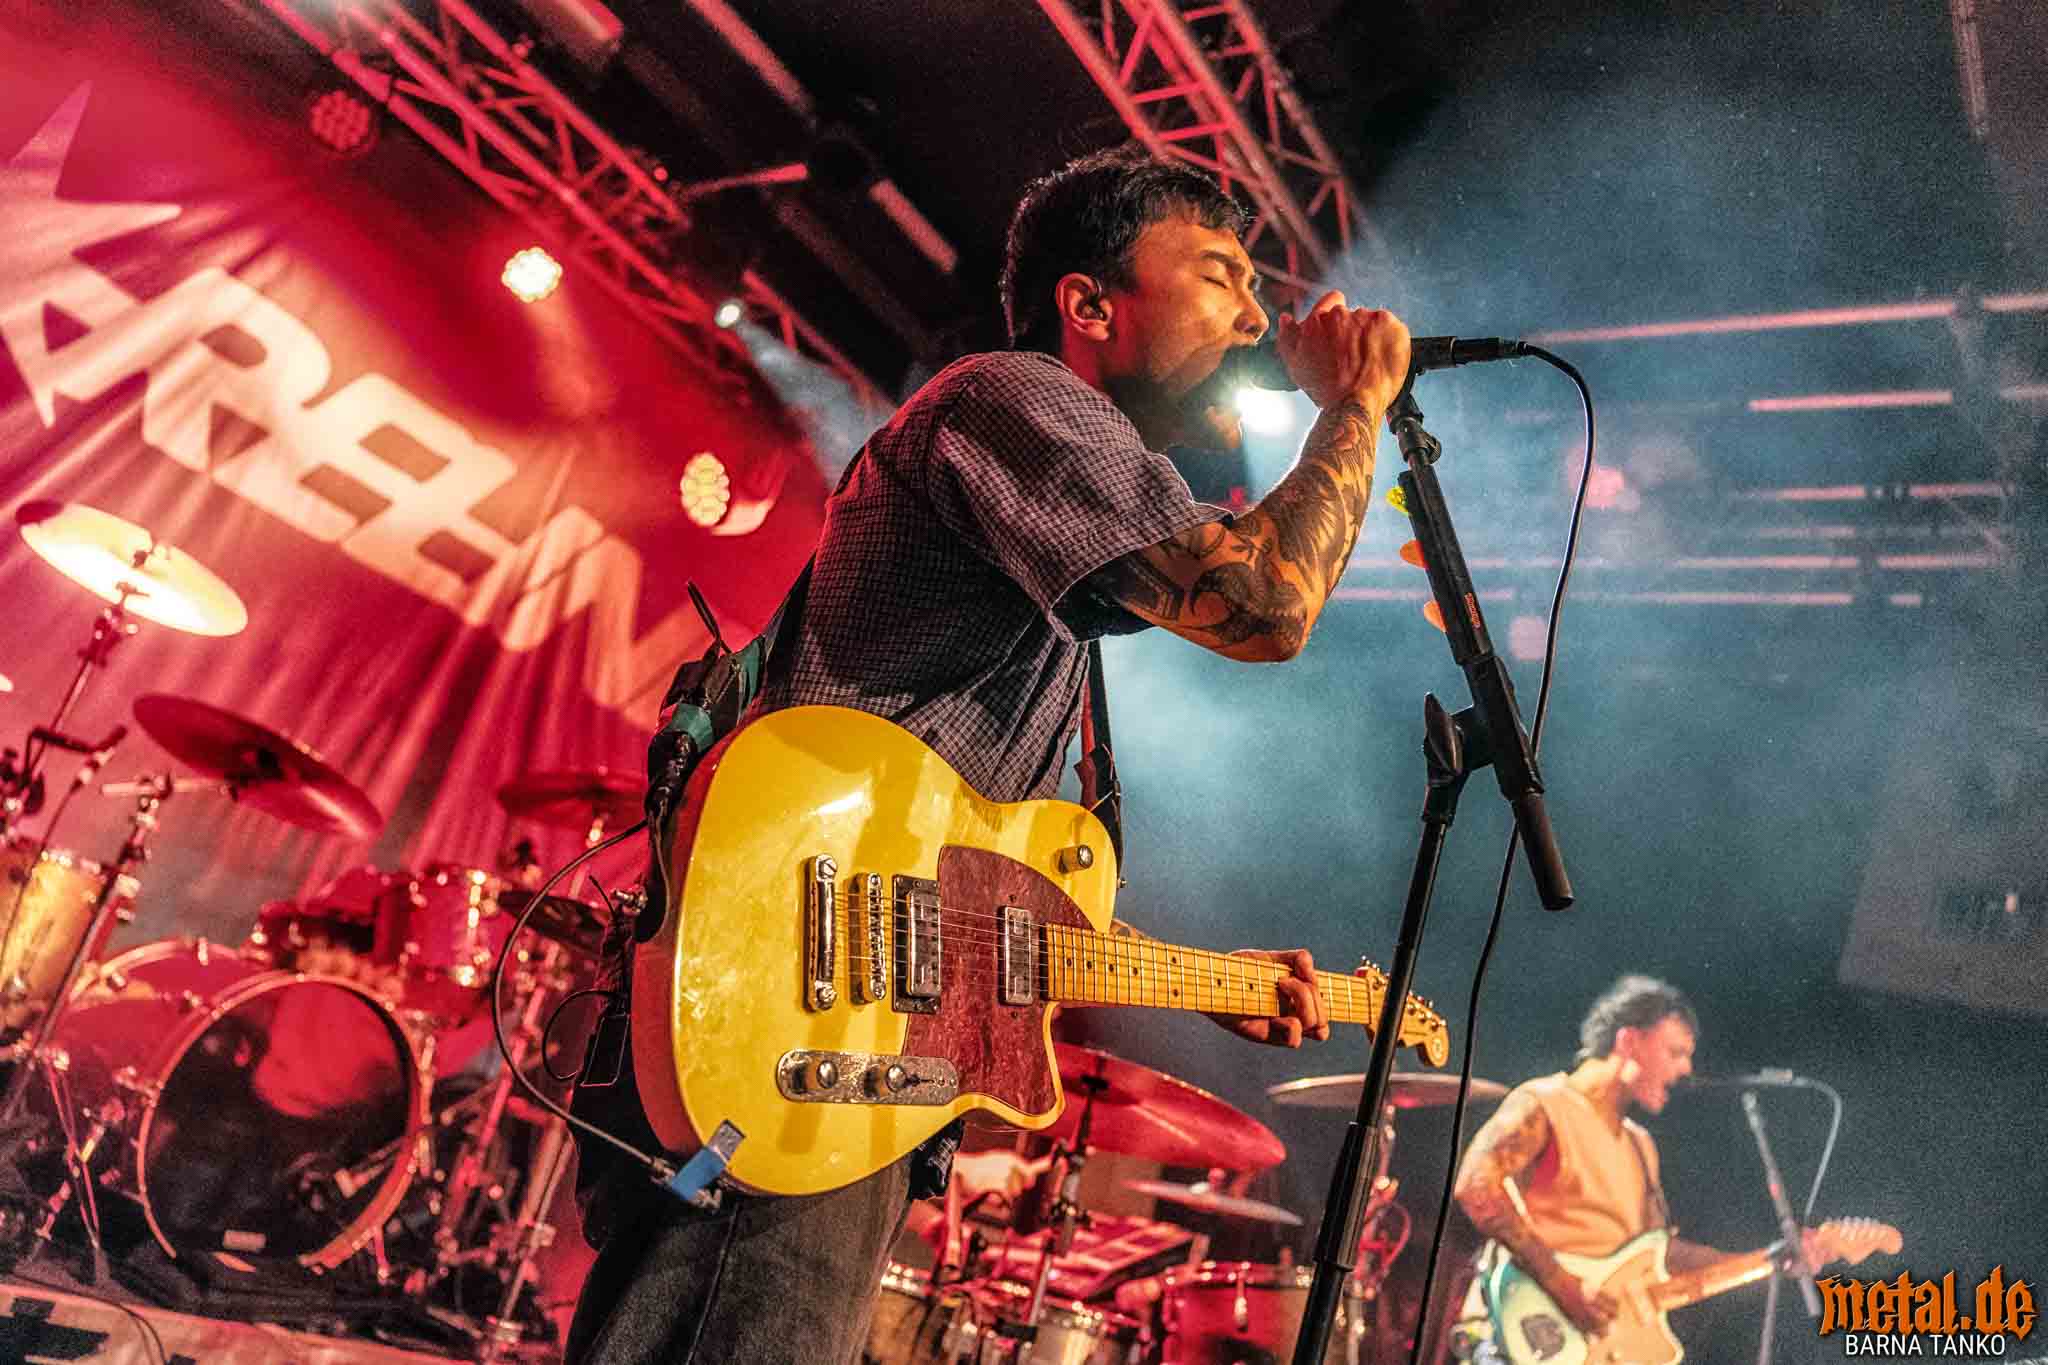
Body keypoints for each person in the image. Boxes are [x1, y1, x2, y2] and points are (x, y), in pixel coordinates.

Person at [564, 144, 1413, 1365]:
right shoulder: (1015, 399)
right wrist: (1353, 406)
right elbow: (1266, 606)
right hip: (782, 1013)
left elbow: (964, 887)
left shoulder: (1056, 532)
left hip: (840, 1028)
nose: (1252, 315)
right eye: (1219, 273)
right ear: (1088, 305)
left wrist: (1201, 982)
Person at [1448, 975, 1821, 1362]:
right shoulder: (1545, 1103)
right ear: (1628, 1041)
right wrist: (1561, 1284)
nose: (1685, 1069)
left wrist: (1770, 1259)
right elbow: (1476, 1188)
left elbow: (1662, 1255)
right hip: (1525, 1336)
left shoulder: (1640, 1145)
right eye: (1675, 1052)